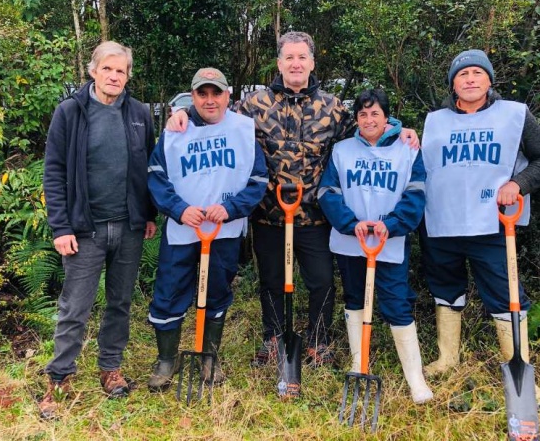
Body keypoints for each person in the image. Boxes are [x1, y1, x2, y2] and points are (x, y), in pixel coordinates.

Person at [168, 32, 419, 368]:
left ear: (312, 63)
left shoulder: (332, 108)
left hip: (316, 216)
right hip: (269, 215)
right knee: (271, 281)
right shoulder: (254, 105)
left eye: (302, 57)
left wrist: (400, 129)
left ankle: (319, 341)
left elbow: (369, 132)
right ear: (280, 63)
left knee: (322, 282)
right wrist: (182, 113)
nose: (296, 63)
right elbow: (214, 114)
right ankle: (272, 339)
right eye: (289, 57)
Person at [419, 49, 540, 408]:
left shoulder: (514, 115)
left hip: (492, 224)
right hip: (442, 223)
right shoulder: (435, 120)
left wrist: (520, 184)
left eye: (477, 73)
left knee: (505, 295)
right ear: (453, 83)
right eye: (462, 74)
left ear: (489, 80)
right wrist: (400, 132)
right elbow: (419, 161)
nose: (469, 79)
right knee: (446, 290)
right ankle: (448, 359)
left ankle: (521, 371)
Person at [40, 41, 158, 418]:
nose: (114, 76)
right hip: (84, 230)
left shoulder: (139, 114)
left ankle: (110, 369)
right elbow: (54, 172)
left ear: (127, 75)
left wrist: (150, 213)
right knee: (75, 306)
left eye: (120, 70)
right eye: (107, 69)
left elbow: (150, 169)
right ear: (93, 71)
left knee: (120, 303)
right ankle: (59, 379)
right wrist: (60, 225)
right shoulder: (70, 112)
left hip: (128, 227)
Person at [146, 68, 267, 391]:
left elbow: (258, 181)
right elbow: (156, 176)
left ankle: (209, 357)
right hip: (184, 231)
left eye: (216, 93)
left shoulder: (242, 129)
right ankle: (166, 360)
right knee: (169, 292)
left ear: (229, 96)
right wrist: (179, 209)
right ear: (193, 96)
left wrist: (230, 209)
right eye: (203, 93)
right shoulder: (175, 131)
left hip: (223, 232)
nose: (210, 100)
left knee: (217, 292)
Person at [318, 89, 433, 403]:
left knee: (396, 302)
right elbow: (327, 191)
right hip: (351, 241)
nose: (369, 120)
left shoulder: (407, 149)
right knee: (354, 298)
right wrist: (348, 222)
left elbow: (416, 193)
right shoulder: (342, 150)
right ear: (356, 119)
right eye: (363, 114)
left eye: (375, 114)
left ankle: (415, 379)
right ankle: (359, 364)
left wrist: (392, 224)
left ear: (387, 118)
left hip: (389, 242)